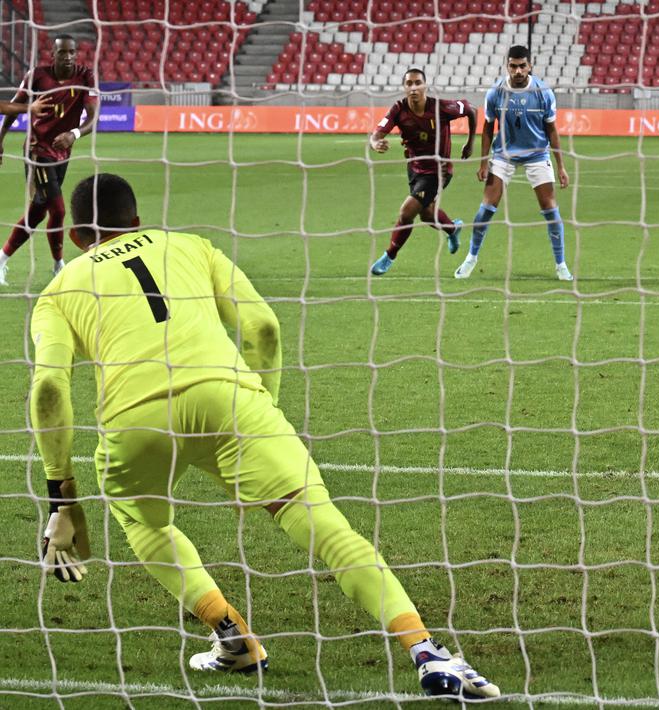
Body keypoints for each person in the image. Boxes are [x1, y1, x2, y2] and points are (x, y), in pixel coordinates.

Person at [30, 174, 499, 699]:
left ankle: (233, 636)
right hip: (231, 400)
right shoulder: (190, 245)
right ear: (138, 222)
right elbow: (263, 328)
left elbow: (50, 386)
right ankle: (428, 653)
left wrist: (61, 497)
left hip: (136, 420)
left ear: (74, 236)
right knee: (324, 524)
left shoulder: (58, 290)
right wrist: (262, 411)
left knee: (142, 520)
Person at [454, 45, 572, 281]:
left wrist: (561, 166)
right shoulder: (496, 92)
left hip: (537, 154)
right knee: (485, 210)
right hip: (503, 155)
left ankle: (561, 265)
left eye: (522, 66)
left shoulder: (543, 92)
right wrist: (484, 161)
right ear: (507, 65)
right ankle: (470, 258)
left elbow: (552, 130)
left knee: (551, 211)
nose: (518, 71)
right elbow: (488, 127)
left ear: (530, 66)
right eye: (513, 66)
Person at [0, 34, 98, 286]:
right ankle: (59, 266)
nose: (68, 57)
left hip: (62, 152)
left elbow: (93, 115)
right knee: (59, 209)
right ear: (52, 55)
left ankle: (2, 258)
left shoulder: (85, 76)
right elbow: (13, 107)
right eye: (62, 52)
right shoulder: (38, 76)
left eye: (72, 52)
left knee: (38, 213)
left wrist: (73, 134)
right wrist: (0, 139)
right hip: (37, 150)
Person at [368, 68, 476, 276]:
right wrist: (375, 143)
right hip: (415, 169)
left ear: (425, 86)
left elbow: (471, 109)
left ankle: (389, 256)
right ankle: (453, 229)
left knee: (406, 212)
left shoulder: (441, 107)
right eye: (409, 83)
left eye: (418, 82)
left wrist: (470, 143)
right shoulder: (399, 109)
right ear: (404, 87)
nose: (414, 87)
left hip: (439, 171)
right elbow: (378, 132)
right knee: (426, 214)